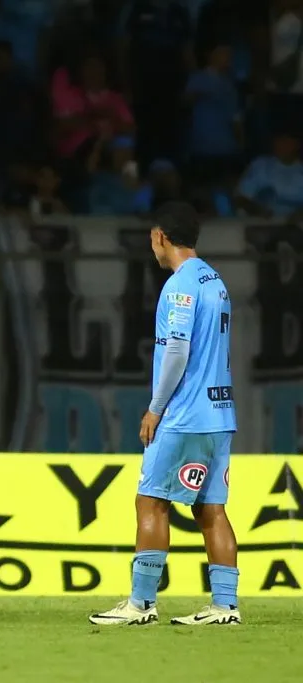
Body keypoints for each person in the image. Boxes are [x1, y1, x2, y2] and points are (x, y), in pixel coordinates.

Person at [90, 201, 239, 626]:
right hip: (220, 413)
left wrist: (156, 409)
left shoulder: (179, 286)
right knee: (212, 509)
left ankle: (141, 604)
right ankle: (225, 606)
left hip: (186, 414)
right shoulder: (216, 281)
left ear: (160, 236)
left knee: (151, 500)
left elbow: (176, 349)